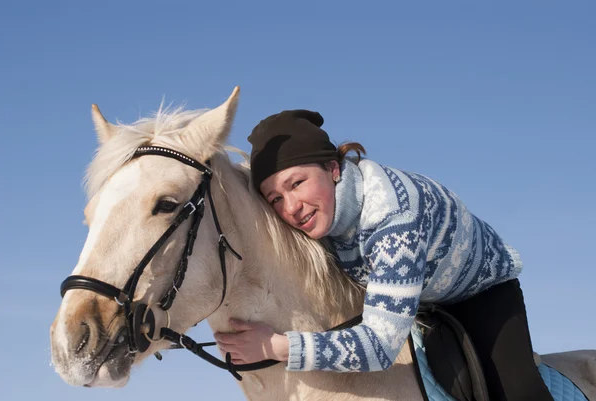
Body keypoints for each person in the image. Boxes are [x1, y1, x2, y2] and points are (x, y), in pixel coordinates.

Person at [214, 109, 553, 401]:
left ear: (333, 168)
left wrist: (275, 347)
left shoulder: (393, 219)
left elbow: (379, 347)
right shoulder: (319, 213)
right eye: (274, 199)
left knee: (516, 393)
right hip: (421, 297)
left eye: (296, 183)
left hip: (479, 292)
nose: (290, 207)